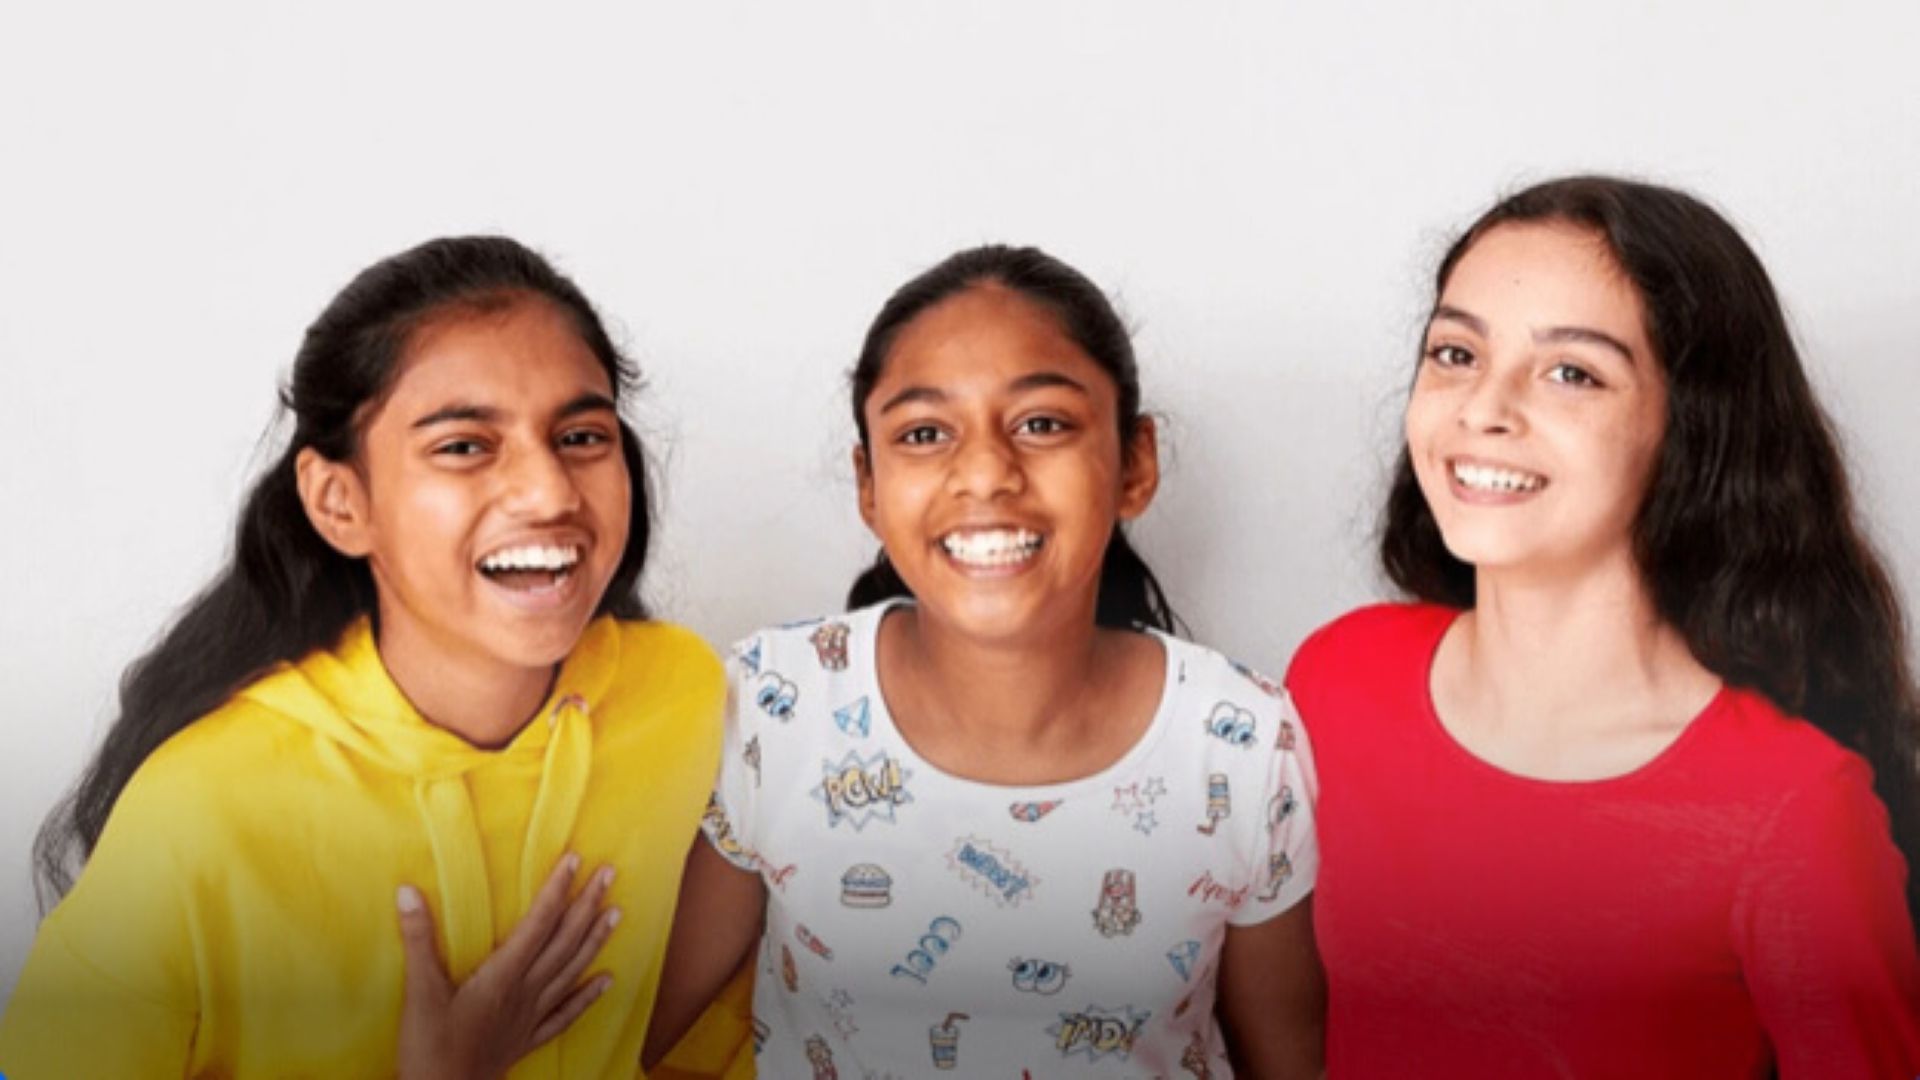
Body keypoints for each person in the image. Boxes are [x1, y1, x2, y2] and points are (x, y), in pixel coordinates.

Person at [0, 236, 733, 1078]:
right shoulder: (201, 808)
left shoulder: (682, 695)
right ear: (340, 503)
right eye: (464, 445)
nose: (550, 493)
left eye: (581, 435)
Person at [641, 244, 1326, 1078]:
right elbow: (635, 1028)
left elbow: (1285, 1057)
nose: (985, 474)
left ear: (1135, 464)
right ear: (869, 485)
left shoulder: (1243, 742)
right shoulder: (779, 707)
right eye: (925, 434)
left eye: (1041, 423)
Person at [1288, 176, 1920, 1077]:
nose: (1485, 409)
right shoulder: (1337, 678)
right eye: (1455, 353)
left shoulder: (1795, 810)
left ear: (1694, 429)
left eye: (1571, 373)